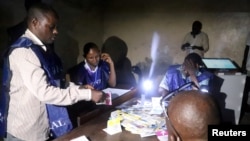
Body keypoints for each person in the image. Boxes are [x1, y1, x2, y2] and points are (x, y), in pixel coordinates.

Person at [0, 3, 104, 141]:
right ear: (34, 22)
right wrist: (87, 94)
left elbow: (57, 82)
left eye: (56, 27)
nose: (56, 31)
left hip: (44, 127)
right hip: (25, 133)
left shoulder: (43, 49)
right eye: (51, 27)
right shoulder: (24, 52)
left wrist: (78, 87)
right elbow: (45, 92)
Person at [66, 42, 116, 127]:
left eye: (97, 56)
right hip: (88, 106)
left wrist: (111, 64)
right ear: (85, 56)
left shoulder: (103, 65)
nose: (95, 60)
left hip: (102, 103)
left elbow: (113, 84)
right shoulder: (79, 71)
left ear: (100, 53)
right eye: (91, 58)